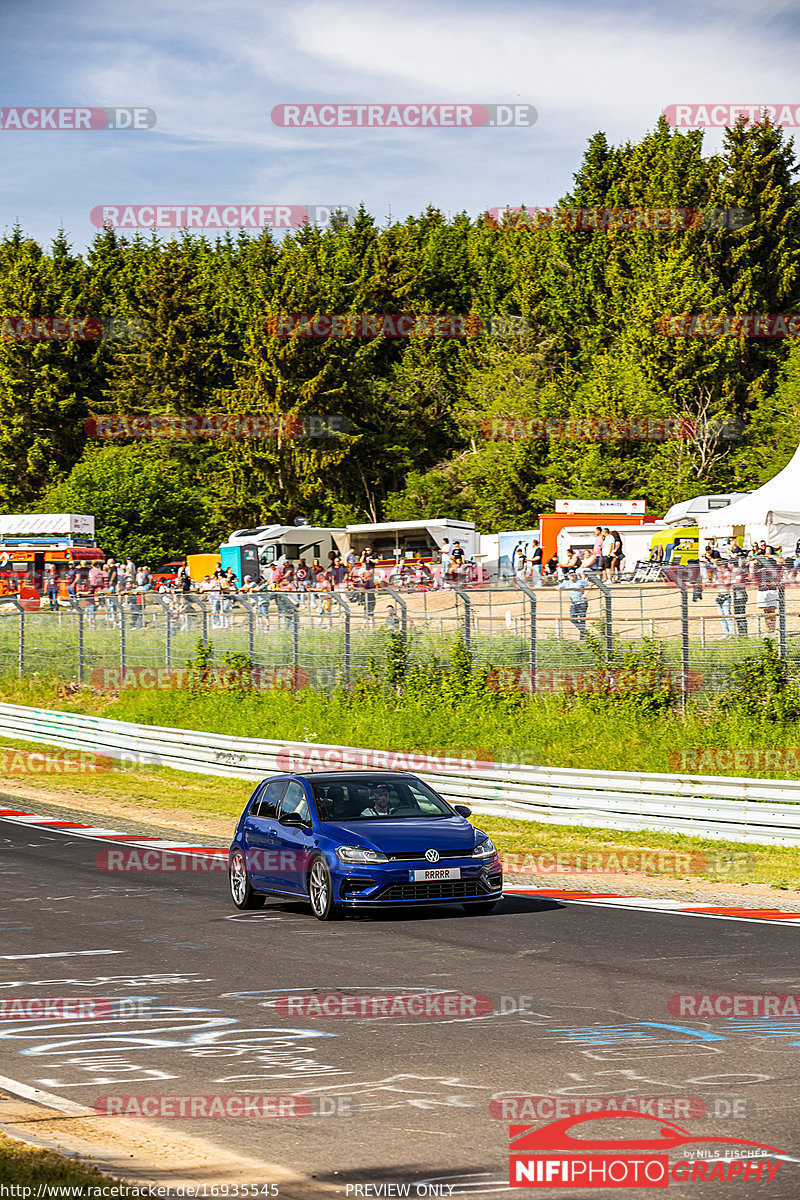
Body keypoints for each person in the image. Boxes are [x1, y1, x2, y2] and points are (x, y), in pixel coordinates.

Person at [560, 569, 590, 640]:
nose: (572, 577)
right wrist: (557, 588)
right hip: (574, 603)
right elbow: (559, 587)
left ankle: (583, 637)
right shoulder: (566, 583)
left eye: (573, 575)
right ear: (568, 576)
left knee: (582, 619)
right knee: (572, 618)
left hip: (582, 602)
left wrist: (585, 594)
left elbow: (590, 584)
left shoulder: (580, 581)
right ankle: (584, 632)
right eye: (570, 575)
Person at [714, 560, 734, 638]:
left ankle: (731, 633)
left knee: (727, 614)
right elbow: (715, 583)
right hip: (719, 595)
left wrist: (721, 579)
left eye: (719, 565)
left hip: (726, 594)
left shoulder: (727, 573)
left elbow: (727, 583)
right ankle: (725, 633)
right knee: (721, 616)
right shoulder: (718, 573)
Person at [731, 553, 749, 636]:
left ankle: (743, 633)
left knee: (741, 614)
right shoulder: (735, 571)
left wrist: (728, 583)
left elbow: (738, 581)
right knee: (738, 614)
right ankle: (740, 632)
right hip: (737, 595)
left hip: (740, 595)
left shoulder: (738, 570)